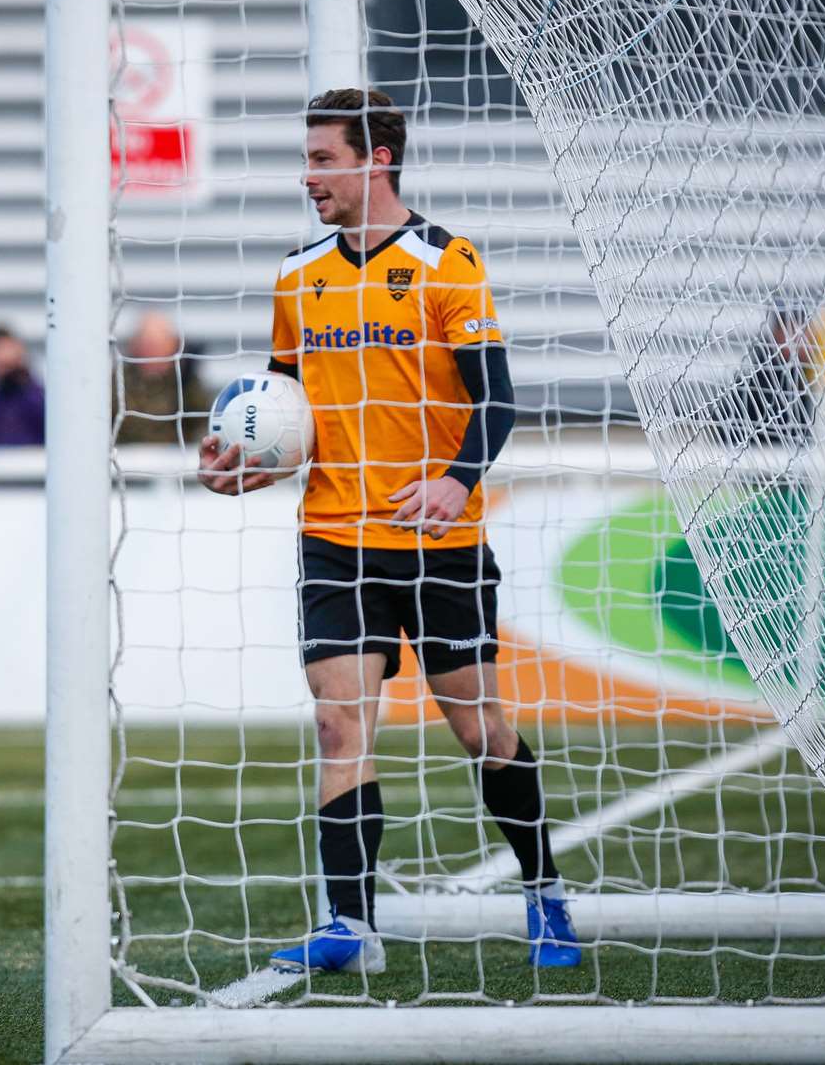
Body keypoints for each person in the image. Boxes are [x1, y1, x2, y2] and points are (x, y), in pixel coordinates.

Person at [197, 88, 579, 975]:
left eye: (322, 158)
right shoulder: (297, 276)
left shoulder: (448, 264)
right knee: (339, 731)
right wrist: (240, 466)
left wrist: (455, 481)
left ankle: (543, 891)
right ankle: (350, 927)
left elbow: (498, 398)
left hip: (437, 543)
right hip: (334, 538)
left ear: (375, 159)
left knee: (481, 731)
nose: (308, 175)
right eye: (307, 159)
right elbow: (282, 413)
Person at [727, 304, 825, 446]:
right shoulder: (755, 382)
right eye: (790, 330)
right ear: (775, 334)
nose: (798, 338)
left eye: (804, 328)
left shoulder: (820, 370)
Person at [116, 309, 208, 445]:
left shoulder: (184, 382)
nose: (152, 351)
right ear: (135, 346)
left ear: (173, 346)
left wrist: (186, 376)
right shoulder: (120, 382)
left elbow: (199, 422)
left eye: (159, 343)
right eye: (147, 343)